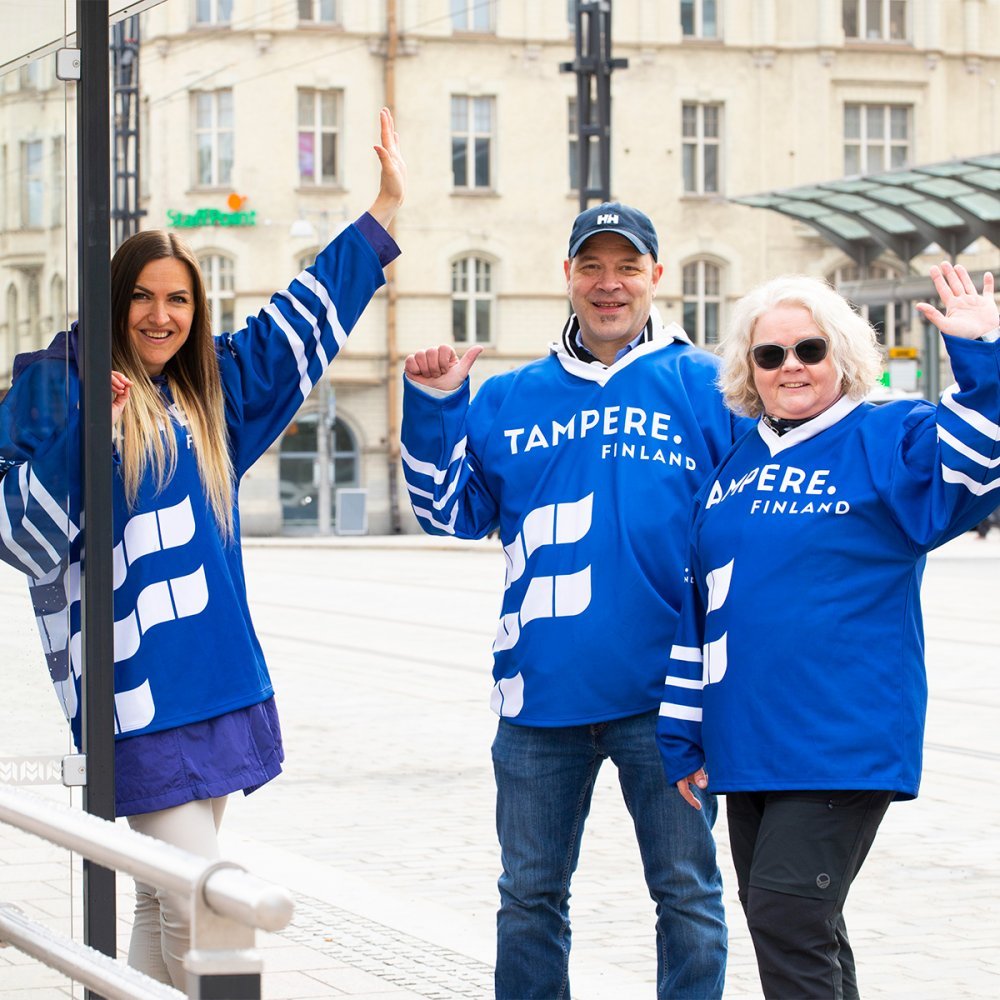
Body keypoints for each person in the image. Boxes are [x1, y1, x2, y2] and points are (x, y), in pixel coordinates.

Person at [0, 109, 405, 989]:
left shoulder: (208, 394)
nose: (160, 315)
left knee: (160, 899)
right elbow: (18, 536)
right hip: (137, 699)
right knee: (208, 901)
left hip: (218, 682)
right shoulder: (54, 385)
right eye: (142, 296)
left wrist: (380, 217)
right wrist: (90, 431)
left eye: (178, 298)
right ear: (113, 300)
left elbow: (295, 324)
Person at [400, 203, 739, 999]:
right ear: (568, 276)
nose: (609, 283)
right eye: (593, 266)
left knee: (687, 897)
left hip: (671, 702)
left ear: (657, 277)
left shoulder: (708, 386)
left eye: (627, 267)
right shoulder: (510, 396)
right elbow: (448, 510)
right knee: (528, 900)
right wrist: (435, 403)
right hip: (537, 701)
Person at [657, 264, 1000, 999]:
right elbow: (703, 603)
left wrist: (983, 355)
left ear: (841, 354)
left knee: (788, 915)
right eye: (770, 354)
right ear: (749, 368)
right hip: (747, 742)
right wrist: (684, 732)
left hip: (840, 737)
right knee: (794, 921)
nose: (791, 367)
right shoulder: (737, 463)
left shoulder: (889, 433)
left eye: (808, 349)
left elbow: (978, 466)